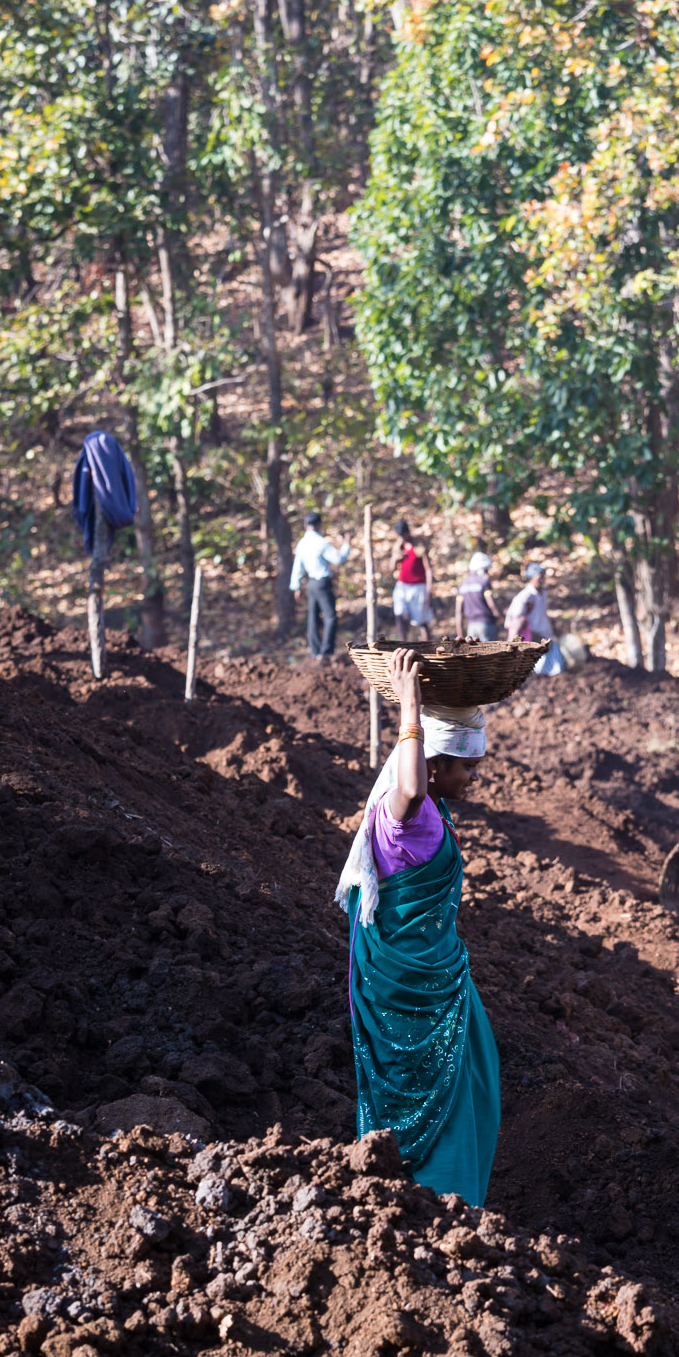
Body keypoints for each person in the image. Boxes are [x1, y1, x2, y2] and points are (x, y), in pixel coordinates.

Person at [336, 648, 500, 1204]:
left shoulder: (432, 813)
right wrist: (410, 707)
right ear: (433, 766)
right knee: (432, 1086)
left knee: (468, 1082)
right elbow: (408, 786)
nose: (474, 777)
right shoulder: (403, 813)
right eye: (467, 766)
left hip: (438, 976)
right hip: (411, 988)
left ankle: (451, 1195)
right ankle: (435, 1198)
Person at [290, 511, 352, 660]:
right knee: (330, 617)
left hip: (311, 583)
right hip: (322, 582)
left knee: (313, 618)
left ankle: (315, 650)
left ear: (305, 525)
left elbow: (297, 567)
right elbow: (338, 559)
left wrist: (296, 586)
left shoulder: (302, 543)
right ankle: (326, 652)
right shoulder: (321, 543)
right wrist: (346, 543)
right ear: (318, 525)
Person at [505, 562, 564, 675]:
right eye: (539, 577)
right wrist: (512, 641)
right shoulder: (526, 596)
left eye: (543, 577)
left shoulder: (543, 593)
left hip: (544, 632)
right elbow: (518, 619)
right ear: (531, 578)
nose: (542, 580)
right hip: (533, 635)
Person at [388, 520, 434, 643]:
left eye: (403, 534)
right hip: (402, 585)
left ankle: (427, 645)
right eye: (399, 535)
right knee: (399, 613)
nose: (401, 538)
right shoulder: (398, 547)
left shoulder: (418, 546)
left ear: (407, 532)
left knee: (421, 620)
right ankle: (404, 642)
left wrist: (429, 592)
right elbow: (390, 569)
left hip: (418, 587)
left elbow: (428, 569)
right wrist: (395, 559)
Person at [456, 550, 501, 642]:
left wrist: (460, 635)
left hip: (471, 627)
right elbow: (491, 604)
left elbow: (458, 612)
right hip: (486, 624)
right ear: (483, 569)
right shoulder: (484, 581)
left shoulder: (462, 584)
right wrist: (501, 617)